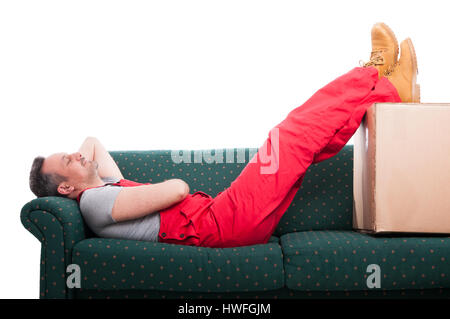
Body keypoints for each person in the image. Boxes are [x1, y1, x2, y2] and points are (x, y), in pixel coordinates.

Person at [28, 23, 419, 248]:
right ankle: (378, 81)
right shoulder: (96, 202)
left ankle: (382, 90)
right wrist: (85, 180)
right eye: (67, 161)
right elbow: (179, 189)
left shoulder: (103, 188)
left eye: (71, 153)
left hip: (226, 218)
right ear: (64, 190)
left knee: (304, 146)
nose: (77, 155)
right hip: (225, 222)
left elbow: (92, 141)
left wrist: (79, 167)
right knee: (288, 136)